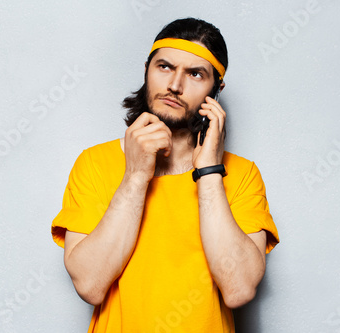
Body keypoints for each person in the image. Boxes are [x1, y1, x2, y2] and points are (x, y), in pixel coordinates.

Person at [51, 17, 279, 333]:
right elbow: (90, 285)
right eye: (165, 67)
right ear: (147, 70)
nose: (175, 85)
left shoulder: (241, 174)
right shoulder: (94, 163)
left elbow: (239, 289)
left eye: (195, 74)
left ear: (216, 89)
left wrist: (210, 172)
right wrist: (135, 176)